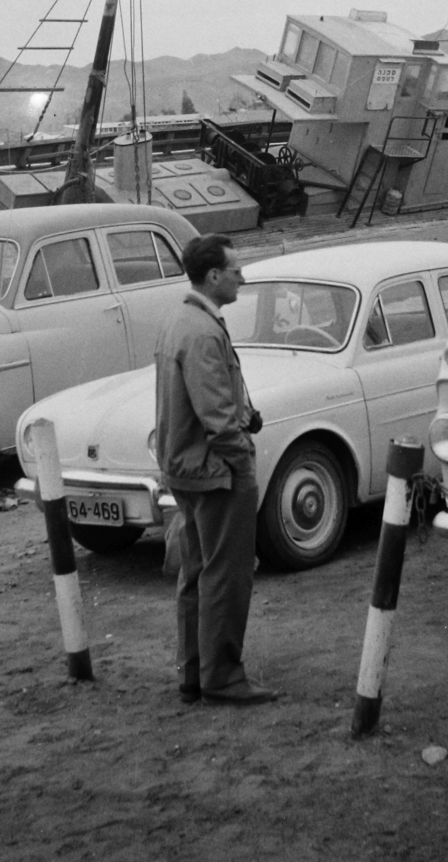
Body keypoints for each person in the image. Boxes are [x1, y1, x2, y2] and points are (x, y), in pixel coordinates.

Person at [154, 233, 278, 706]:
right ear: (213, 276)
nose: (242, 276)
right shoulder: (204, 331)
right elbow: (216, 417)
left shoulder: (179, 321)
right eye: (235, 270)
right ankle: (223, 677)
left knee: (196, 572)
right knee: (226, 576)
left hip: (185, 467)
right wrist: (241, 457)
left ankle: (194, 673)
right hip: (216, 472)